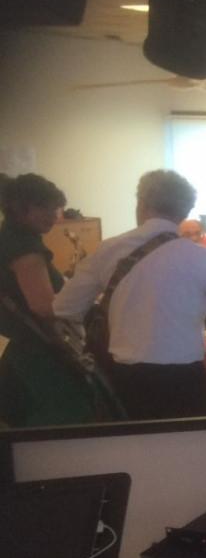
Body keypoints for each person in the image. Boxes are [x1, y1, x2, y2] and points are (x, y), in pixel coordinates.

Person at [54, 170, 206, 420]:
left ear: (141, 204)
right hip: (184, 381)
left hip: (124, 380)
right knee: (191, 454)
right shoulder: (201, 257)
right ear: (183, 213)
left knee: (134, 453)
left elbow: (64, 308)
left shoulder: (109, 249)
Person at [0, 174, 100, 426]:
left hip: (19, 344)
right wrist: (84, 299)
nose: (54, 215)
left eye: (55, 207)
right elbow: (43, 306)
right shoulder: (23, 247)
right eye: (44, 207)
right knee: (64, 414)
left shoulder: (10, 238)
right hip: (36, 347)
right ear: (22, 207)